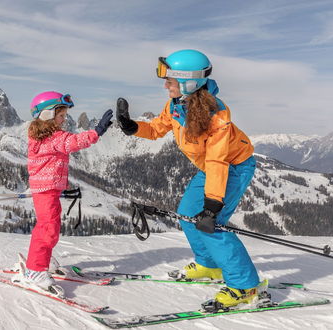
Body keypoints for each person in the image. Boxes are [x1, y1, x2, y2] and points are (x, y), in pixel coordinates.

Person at [116, 49, 260, 308]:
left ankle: (244, 286)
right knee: (188, 214)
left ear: (188, 82)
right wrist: (133, 127)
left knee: (212, 224)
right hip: (210, 168)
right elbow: (158, 128)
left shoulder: (216, 116)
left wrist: (213, 205)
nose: (165, 85)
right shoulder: (176, 104)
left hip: (233, 167)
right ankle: (209, 265)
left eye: (170, 80)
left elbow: (218, 161)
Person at [23, 91, 113, 297]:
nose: (65, 120)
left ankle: (41, 260)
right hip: (46, 190)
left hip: (46, 189)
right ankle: (35, 270)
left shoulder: (39, 134)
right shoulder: (53, 137)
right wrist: (97, 131)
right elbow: (73, 142)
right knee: (48, 228)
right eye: (61, 116)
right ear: (46, 115)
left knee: (49, 227)